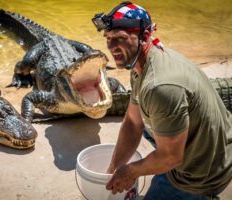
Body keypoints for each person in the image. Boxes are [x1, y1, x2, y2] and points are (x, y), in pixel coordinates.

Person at [92, 1, 232, 200]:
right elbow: (133, 122)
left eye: (120, 38)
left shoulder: (160, 87)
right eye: (108, 38)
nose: (111, 47)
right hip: (205, 143)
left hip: (203, 175)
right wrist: (114, 168)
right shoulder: (141, 61)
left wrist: (130, 171)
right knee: (149, 123)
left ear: (145, 36)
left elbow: (171, 157)